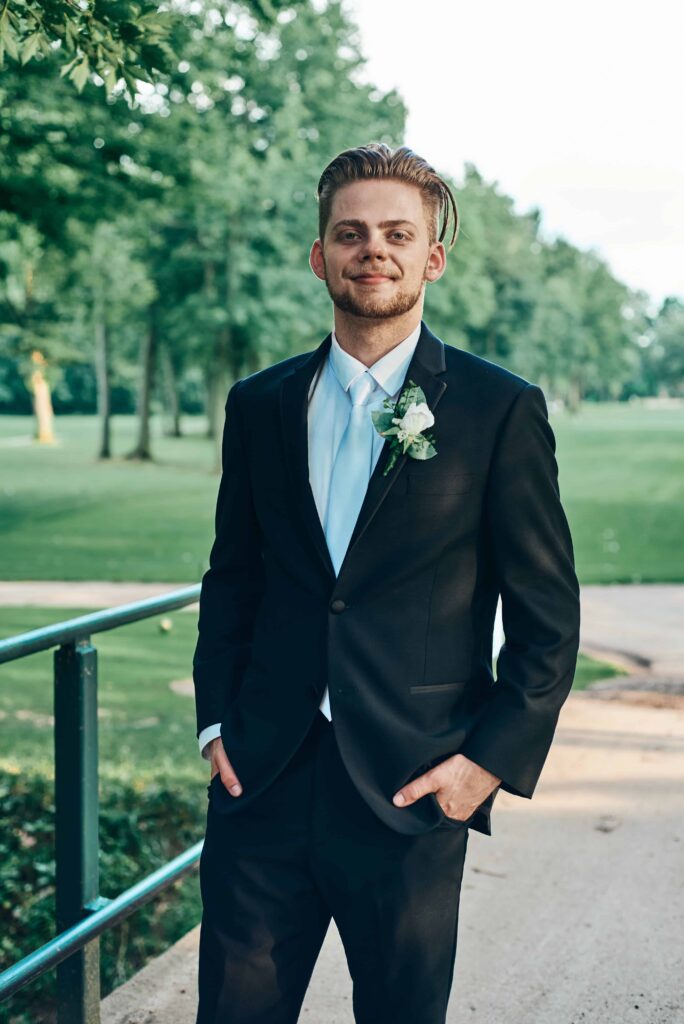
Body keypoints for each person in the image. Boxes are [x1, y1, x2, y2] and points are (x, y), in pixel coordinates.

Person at [192, 142, 581, 1024]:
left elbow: (547, 619)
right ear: (320, 255)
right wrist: (217, 725)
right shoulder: (258, 405)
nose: (375, 248)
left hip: (411, 789)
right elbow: (234, 579)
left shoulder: (496, 408)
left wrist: (482, 767)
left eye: (398, 233)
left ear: (431, 258)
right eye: (351, 232)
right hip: (263, 780)